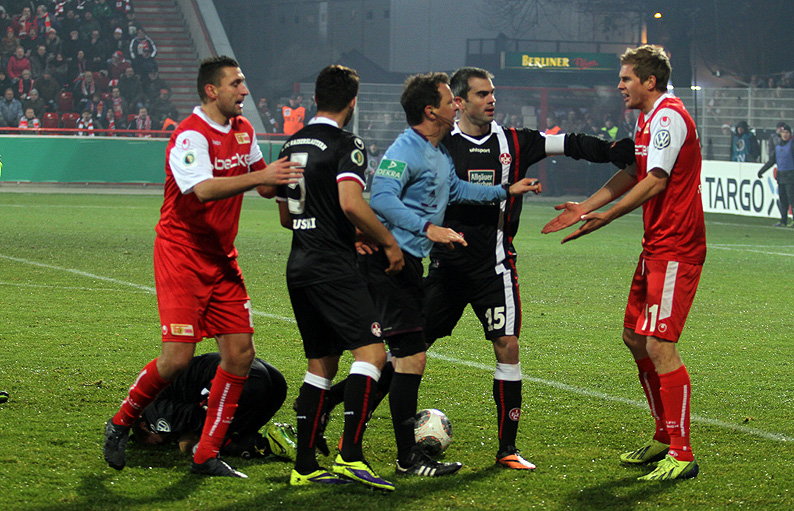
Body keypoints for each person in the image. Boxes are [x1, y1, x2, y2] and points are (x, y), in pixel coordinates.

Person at [423, 67, 636, 472]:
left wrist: (610, 150)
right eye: (481, 94)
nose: (491, 100)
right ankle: (350, 421)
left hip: (495, 268)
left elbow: (569, 143)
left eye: (492, 93)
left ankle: (507, 448)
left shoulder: (514, 141)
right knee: (410, 349)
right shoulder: (440, 143)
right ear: (460, 101)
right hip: (446, 268)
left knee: (508, 345)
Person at [102, 55, 303, 479]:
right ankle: (121, 422)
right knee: (177, 359)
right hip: (181, 255)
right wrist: (261, 176)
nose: (244, 90)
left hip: (221, 258)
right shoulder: (190, 135)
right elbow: (204, 189)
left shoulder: (243, 130)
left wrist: (290, 173)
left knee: (240, 355)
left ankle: (205, 454)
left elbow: (263, 184)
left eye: (243, 82)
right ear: (212, 90)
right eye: (236, 83)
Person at [359, 71, 540, 478]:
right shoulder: (406, 149)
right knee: (395, 358)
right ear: (431, 111)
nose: (455, 105)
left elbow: (457, 190)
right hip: (393, 264)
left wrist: (505, 191)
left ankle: (378, 448)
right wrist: (428, 228)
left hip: (412, 265)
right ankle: (372, 449)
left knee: (405, 357)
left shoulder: (437, 154)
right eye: (449, 101)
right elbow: (381, 197)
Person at [542, 45, 705, 481]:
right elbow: (634, 172)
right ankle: (664, 435)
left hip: (677, 246)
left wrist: (608, 216)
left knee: (659, 346)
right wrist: (584, 207)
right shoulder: (646, 119)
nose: (619, 85)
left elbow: (656, 181)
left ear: (650, 81)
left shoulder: (668, 116)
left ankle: (683, 454)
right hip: (656, 245)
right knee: (634, 337)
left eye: (626, 78)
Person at [272, 64, 404, 490]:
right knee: (373, 355)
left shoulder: (291, 144)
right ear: (353, 102)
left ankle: (305, 467)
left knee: (322, 365)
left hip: (299, 264)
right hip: (332, 267)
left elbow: (287, 217)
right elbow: (351, 202)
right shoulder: (348, 144)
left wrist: (336, 230)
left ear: (315, 98)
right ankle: (351, 456)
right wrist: (386, 241)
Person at [131, 352, 297, 462]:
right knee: (234, 431)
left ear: (144, 426)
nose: (164, 442)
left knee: (210, 437)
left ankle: (267, 443)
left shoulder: (153, 413)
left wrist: (190, 441)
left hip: (241, 380)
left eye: (156, 442)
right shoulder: (161, 392)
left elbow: (196, 417)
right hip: (272, 380)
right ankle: (294, 440)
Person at [757, 123, 794, 227]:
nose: (785, 134)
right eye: (783, 132)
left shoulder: (792, 145)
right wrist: (761, 171)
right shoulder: (778, 147)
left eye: (787, 132)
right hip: (781, 177)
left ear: (790, 134)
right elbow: (771, 161)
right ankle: (783, 221)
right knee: (783, 200)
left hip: (791, 176)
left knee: (792, 199)